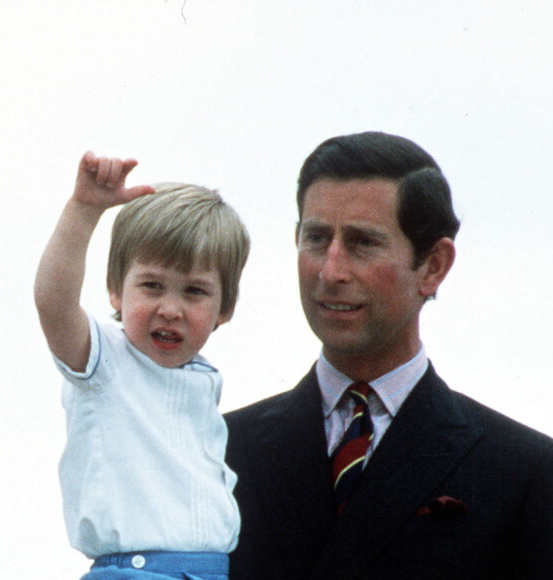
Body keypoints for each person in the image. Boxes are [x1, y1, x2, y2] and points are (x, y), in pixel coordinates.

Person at [224, 131, 553, 579]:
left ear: (434, 265)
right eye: (317, 238)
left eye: (362, 243)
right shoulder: (217, 450)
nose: (330, 270)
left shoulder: (524, 472)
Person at [34, 151, 249, 580]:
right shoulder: (104, 360)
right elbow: (53, 303)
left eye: (194, 292)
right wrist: (83, 211)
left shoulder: (204, 380)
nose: (170, 309)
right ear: (116, 290)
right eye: (152, 286)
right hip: (135, 572)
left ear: (224, 308)